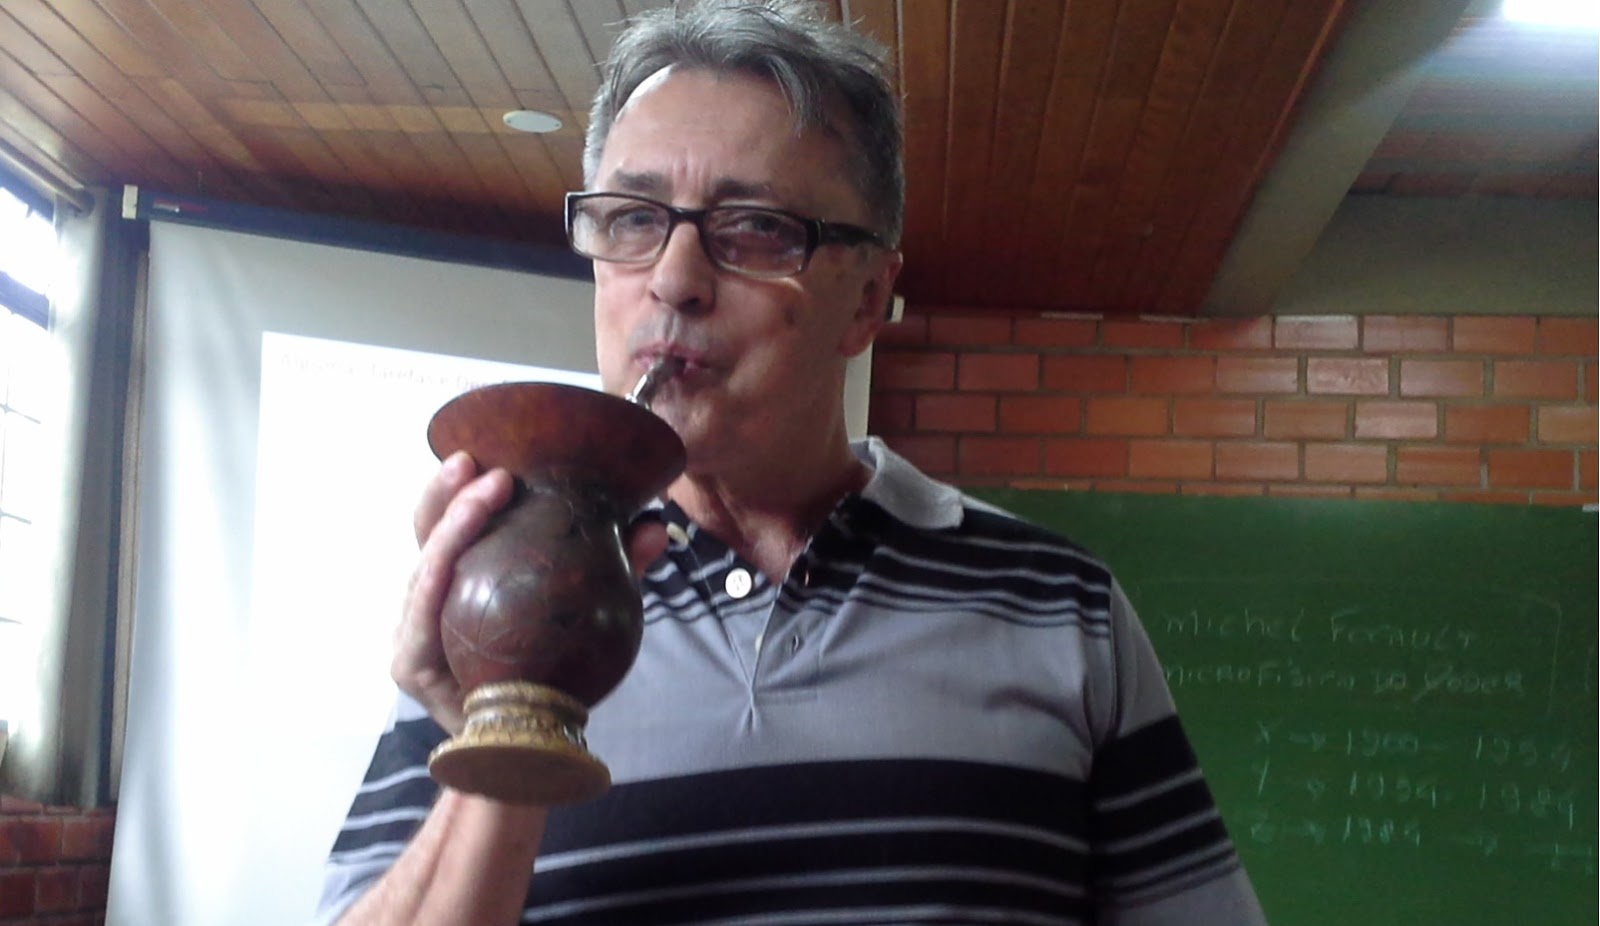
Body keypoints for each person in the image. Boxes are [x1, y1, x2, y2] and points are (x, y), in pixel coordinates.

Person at [315, 1, 1267, 923]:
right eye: (633, 219)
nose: (673, 281)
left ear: (867, 299)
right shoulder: (495, 611)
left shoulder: (1063, 606)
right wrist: (508, 727)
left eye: (757, 227)